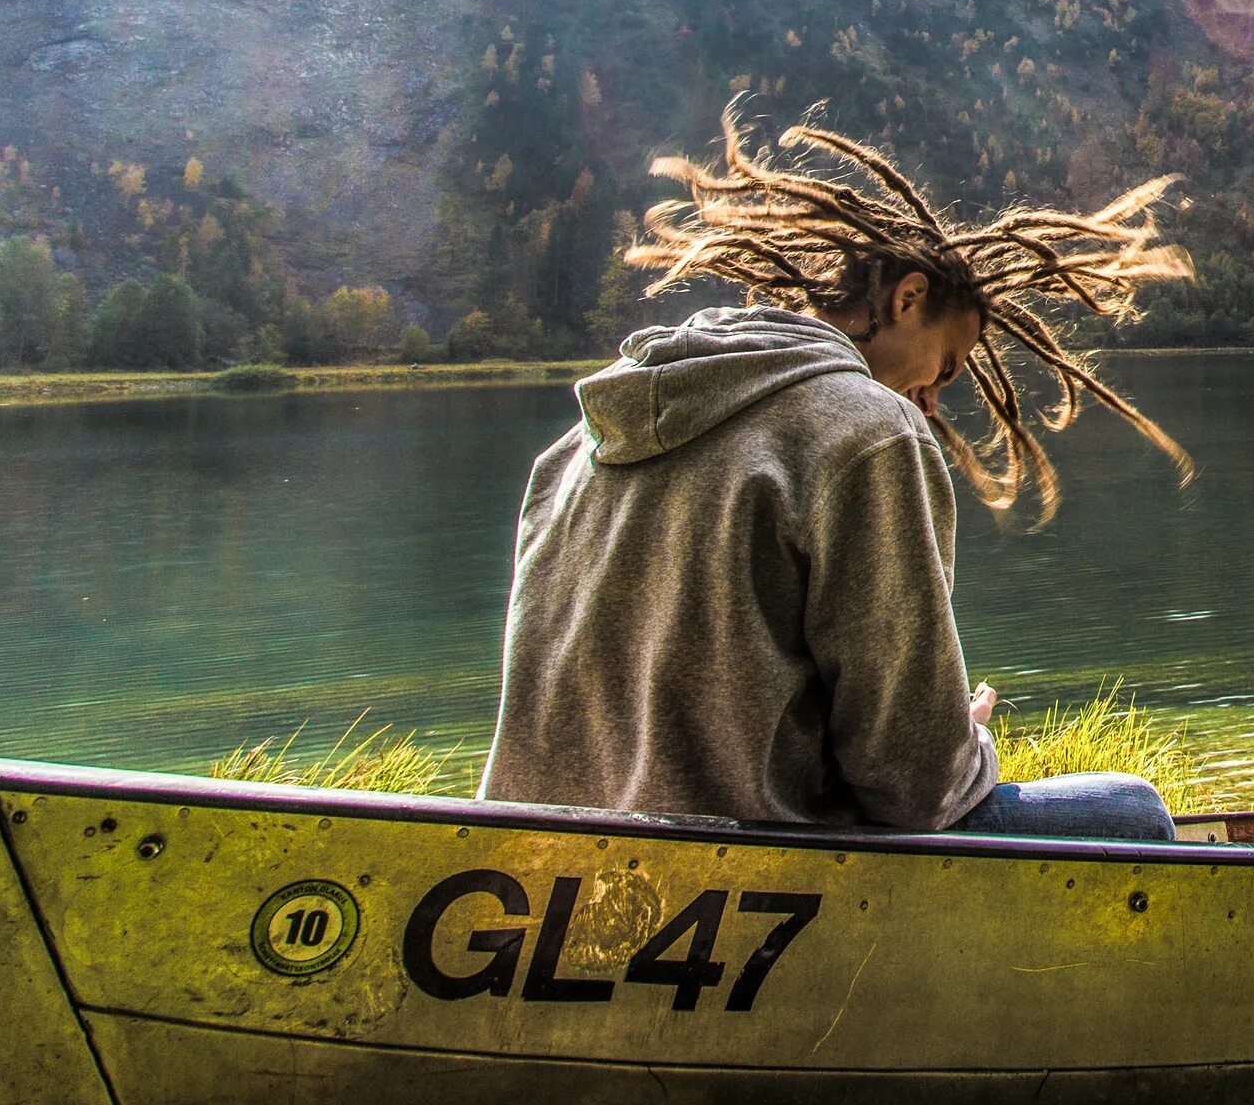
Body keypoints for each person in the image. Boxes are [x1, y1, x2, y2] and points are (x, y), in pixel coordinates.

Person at [478, 111, 1195, 840]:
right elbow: (914, 788)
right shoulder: (869, 431)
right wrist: (970, 742)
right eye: (944, 364)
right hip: (742, 872)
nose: (932, 396)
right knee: (1134, 814)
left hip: (539, 861)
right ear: (906, 299)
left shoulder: (580, 438)